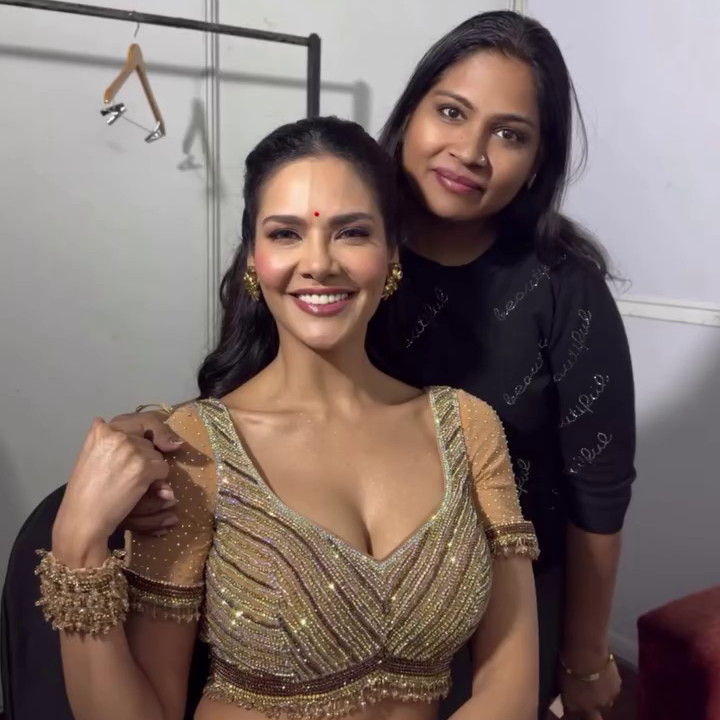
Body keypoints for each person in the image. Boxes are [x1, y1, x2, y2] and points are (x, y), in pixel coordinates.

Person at [113, 10, 636, 720]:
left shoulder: (559, 285)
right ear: (410, 112)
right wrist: (156, 431)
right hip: (301, 607)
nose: (470, 151)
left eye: (510, 134)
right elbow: (251, 390)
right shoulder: (331, 248)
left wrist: (583, 655)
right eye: (451, 111)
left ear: (538, 161)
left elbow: (599, 488)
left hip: (496, 592)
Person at [38, 116, 540, 720]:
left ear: (391, 253)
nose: (319, 263)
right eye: (285, 233)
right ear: (254, 258)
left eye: (351, 232)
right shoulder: (196, 447)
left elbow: (510, 684)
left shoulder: (466, 427)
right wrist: (76, 545)